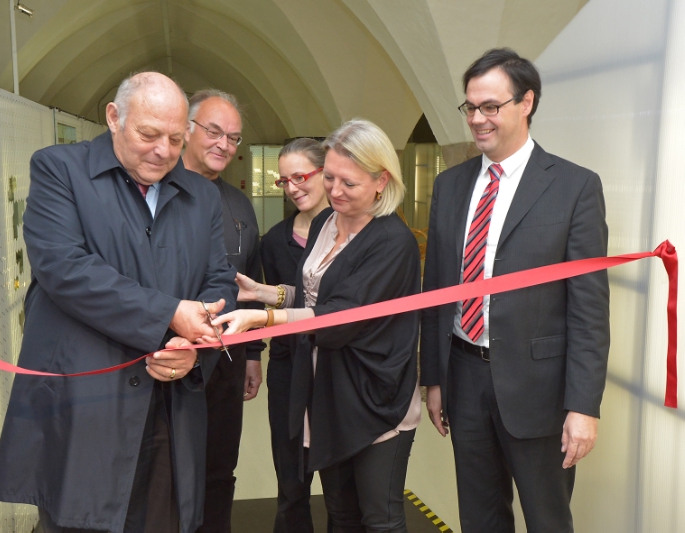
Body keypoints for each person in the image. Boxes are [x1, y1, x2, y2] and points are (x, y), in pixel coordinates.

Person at [0, 72, 238, 533]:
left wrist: (194, 346)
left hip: (167, 407)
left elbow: (219, 279)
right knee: (79, 520)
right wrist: (170, 315)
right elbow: (65, 268)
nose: (163, 151)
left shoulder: (201, 195)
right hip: (84, 406)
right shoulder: (60, 170)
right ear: (113, 117)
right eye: (148, 135)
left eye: (176, 140)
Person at [420, 48, 609, 532]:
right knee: (479, 517)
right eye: (470, 107)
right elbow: (436, 288)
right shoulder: (450, 185)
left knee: (547, 519)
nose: (477, 119)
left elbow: (589, 309)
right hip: (464, 376)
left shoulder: (574, 187)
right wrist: (434, 379)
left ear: (527, 103)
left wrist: (583, 406)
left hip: (539, 390)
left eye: (490, 106)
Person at [216, 119, 421, 533]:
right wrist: (264, 293)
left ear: (381, 181)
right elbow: (317, 298)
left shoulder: (391, 241)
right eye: (330, 178)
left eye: (349, 182)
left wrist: (263, 319)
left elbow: (339, 317)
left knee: (380, 519)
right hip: (327, 391)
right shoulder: (327, 223)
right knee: (341, 514)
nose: (335, 191)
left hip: (373, 394)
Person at [181, 88, 265, 533]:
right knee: (170, 467)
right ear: (186, 129)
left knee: (219, 466)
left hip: (228, 358)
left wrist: (253, 355)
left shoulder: (239, 204)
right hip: (172, 354)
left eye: (233, 138)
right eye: (214, 132)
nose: (224, 145)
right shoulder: (159, 191)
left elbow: (252, 280)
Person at [261, 138, 330, 532]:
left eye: (300, 177)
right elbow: (282, 310)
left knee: (343, 493)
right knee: (291, 486)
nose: (292, 188)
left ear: (326, 171)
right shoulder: (275, 240)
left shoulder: (353, 233)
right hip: (289, 373)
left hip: (337, 372)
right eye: (284, 181)